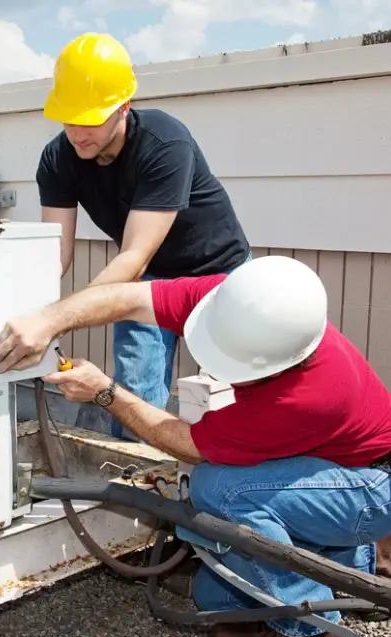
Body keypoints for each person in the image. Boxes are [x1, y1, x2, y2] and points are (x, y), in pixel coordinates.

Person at [0, 255, 391, 637]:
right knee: (212, 597)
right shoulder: (235, 303)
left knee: (220, 490)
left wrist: (104, 392)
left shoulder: (309, 396)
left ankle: (309, 631)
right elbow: (127, 298)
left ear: (277, 366)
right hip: (338, 466)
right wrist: (49, 320)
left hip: (372, 487)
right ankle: (354, 569)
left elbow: (188, 445)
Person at [36, 31, 251, 440]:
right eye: (70, 118)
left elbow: (134, 254)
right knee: (132, 392)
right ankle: (139, 488)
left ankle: (231, 485)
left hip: (219, 275)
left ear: (123, 108)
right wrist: (30, 311)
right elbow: (56, 253)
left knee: (238, 389)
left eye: (93, 118)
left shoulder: (164, 143)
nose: (79, 132)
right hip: (149, 280)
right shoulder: (58, 158)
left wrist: (55, 320)